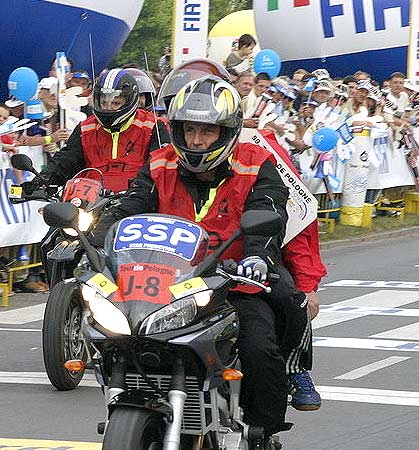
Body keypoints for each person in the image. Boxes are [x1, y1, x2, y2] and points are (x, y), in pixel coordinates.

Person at [90, 76, 308, 444]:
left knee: (261, 341)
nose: (195, 140)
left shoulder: (257, 164)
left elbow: (268, 212)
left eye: (206, 131)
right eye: (189, 130)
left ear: (226, 132)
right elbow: (131, 208)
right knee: (114, 331)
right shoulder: (160, 163)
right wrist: (96, 240)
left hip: (234, 279)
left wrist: (257, 256)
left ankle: (262, 426)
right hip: (169, 281)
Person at [22, 68, 170, 194]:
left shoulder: (153, 126)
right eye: (104, 102)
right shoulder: (86, 127)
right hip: (89, 201)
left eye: (116, 103)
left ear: (131, 100)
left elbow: (160, 168)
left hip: (137, 202)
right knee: (57, 224)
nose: (109, 107)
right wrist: (41, 180)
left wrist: (142, 190)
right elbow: (67, 159)